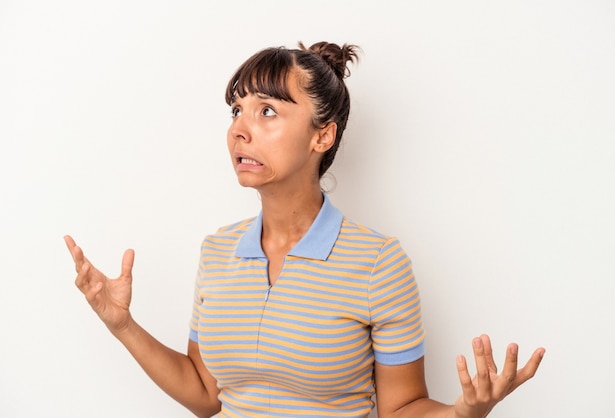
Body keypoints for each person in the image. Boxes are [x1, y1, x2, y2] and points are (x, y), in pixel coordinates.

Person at [65, 41, 545, 418]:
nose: (239, 129)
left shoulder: (378, 263)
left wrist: (464, 414)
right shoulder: (217, 252)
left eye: (267, 110)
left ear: (323, 134)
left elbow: (402, 409)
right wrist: (122, 325)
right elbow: (206, 395)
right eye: (237, 111)